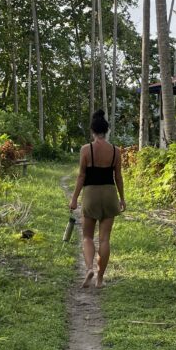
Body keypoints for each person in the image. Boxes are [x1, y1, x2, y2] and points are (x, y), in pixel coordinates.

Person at [69, 108, 125, 288]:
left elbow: (81, 176)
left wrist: (74, 198)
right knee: (105, 239)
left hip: (91, 194)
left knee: (86, 237)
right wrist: (122, 198)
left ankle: (89, 269)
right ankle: (100, 279)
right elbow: (118, 177)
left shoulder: (86, 150)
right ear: (106, 131)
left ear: (92, 131)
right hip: (109, 193)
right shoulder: (116, 151)